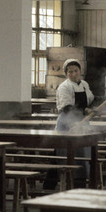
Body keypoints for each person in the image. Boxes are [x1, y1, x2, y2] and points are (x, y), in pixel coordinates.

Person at [42, 58, 95, 190]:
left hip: (82, 122)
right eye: (70, 72)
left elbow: (91, 100)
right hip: (67, 122)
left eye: (76, 71)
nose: (73, 74)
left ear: (80, 72)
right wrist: (85, 110)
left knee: (82, 151)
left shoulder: (84, 85)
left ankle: (80, 180)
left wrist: (98, 104)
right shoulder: (64, 87)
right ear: (66, 73)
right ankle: (53, 182)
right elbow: (67, 107)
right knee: (61, 152)